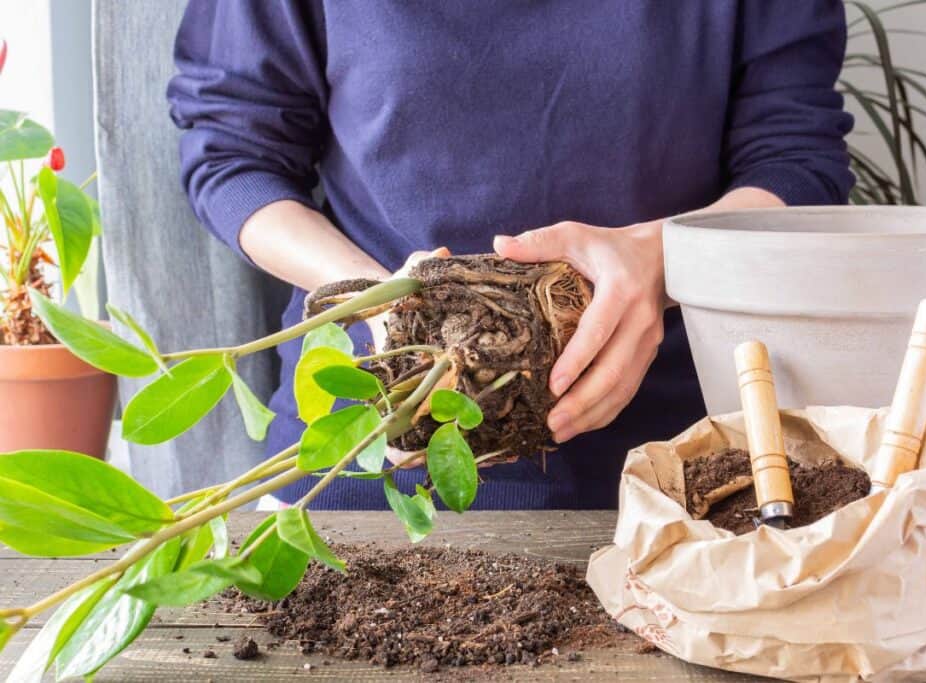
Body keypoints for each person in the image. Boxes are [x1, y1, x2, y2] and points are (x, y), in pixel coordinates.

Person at [167, 1, 854, 510]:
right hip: (370, 445)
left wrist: (663, 258)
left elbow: (796, 161)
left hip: (680, 470)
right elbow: (234, 152)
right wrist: (376, 302)